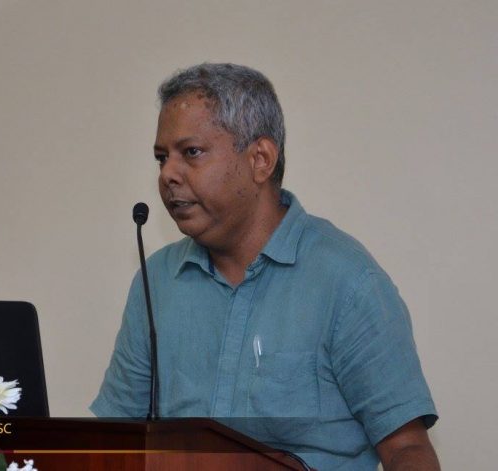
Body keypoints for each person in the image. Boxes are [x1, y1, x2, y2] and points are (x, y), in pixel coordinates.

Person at [91, 63, 439, 470]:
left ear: (260, 159)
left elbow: (407, 450)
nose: (168, 174)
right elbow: (115, 443)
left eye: (191, 153)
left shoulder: (347, 282)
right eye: (161, 158)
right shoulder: (157, 282)